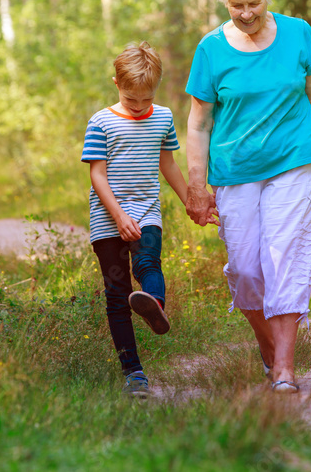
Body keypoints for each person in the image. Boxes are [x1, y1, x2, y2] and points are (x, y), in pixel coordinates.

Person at [185, 0, 311, 394]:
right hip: (234, 171)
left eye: (252, 4)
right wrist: (195, 185)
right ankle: (269, 347)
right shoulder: (211, 49)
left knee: (283, 257)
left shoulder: (297, 33)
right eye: (236, 6)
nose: (245, 14)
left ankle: (285, 370)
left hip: (297, 160)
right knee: (245, 268)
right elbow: (198, 123)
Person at [81, 42, 189, 398]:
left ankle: (154, 305)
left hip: (146, 210)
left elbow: (168, 164)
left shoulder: (163, 117)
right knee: (117, 295)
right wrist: (117, 215)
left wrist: (191, 200)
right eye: (132, 100)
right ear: (116, 84)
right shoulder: (101, 122)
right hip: (107, 217)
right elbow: (97, 175)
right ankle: (134, 373)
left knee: (148, 261)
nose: (141, 106)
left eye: (146, 98)